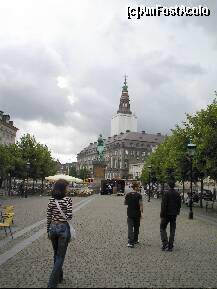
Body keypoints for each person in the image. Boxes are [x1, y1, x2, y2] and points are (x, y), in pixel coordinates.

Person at [47, 179, 73, 288]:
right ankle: (52, 284)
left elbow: (48, 216)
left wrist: (47, 230)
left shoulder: (51, 200)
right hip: (63, 228)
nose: (68, 188)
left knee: (56, 253)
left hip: (52, 227)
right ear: (63, 188)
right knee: (60, 256)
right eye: (67, 187)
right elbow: (69, 216)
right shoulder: (68, 200)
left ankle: (59, 277)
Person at [160, 181, 181, 252]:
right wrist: (177, 212)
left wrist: (162, 214)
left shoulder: (166, 193)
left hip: (166, 214)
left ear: (169, 186)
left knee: (162, 228)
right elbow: (179, 205)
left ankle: (165, 243)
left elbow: (163, 205)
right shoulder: (177, 194)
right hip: (174, 214)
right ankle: (170, 246)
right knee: (172, 230)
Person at [124, 182, 143, 248]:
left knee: (130, 228)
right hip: (137, 214)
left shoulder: (128, 194)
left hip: (130, 213)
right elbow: (141, 205)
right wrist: (141, 213)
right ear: (135, 187)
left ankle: (130, 242)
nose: (139, 188)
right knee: (137, 227)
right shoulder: (139, 195)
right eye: (138, 187)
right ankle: (135, 240)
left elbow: (125, 203)